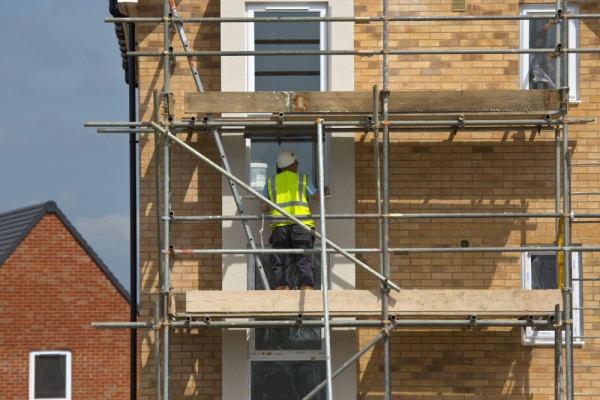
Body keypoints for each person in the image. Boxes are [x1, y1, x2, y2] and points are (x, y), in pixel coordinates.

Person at [260, 149, 329, 291]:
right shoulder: (301, 179)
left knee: (281, 260)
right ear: (291, 164)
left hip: (279, 227)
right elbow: (317, 196)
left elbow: (263, 207)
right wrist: (325, 190)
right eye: (296, 163)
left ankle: (281, 287)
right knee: (304, 259)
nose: (297, 165)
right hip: (301, 225)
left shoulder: (271, 182)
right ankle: (306, 287)